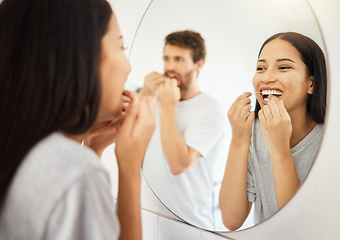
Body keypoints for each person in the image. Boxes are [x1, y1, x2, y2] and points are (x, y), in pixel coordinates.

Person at [0, 0, 155, 240]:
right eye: (121, 47)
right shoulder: (76, 172)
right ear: (81, 58)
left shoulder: (6, 145)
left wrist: (92, 147)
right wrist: (130, 168)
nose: (128, 67)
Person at [219, 32, 327, 231]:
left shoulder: (328, 142)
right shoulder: (254, 132)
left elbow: (296, 230)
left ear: (311, 83)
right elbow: (231, 220)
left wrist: (279, 149)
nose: (267, 78)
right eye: (260, 68)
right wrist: (239, 140)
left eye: (284, 67)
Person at [140, 30, 228, 230]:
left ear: (199, 64)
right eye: (166, 58)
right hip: (150, 218)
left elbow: (178, 164)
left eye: (179, 59)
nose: (170, 67)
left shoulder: (211, 110)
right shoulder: (157, 98)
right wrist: (145, 94)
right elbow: (132, 145)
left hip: (190, 225)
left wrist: (166, 107)